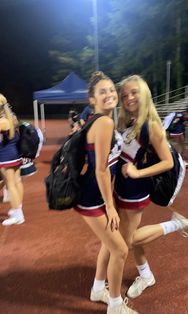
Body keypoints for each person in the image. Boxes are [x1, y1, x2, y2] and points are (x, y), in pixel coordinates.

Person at [114, 75, 188, 299]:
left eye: (134, 92)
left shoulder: (151, 125)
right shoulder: (129, 122)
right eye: (124, 95)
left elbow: (167, 162)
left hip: (135, 190)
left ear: (144, 94)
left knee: (127, 240)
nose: (129, 98)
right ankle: (146, 275)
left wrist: (137, 172)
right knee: (129, 237)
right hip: (122, 187)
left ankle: (174, 225)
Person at [73, 71, 138, 314]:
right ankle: (115, 305)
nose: (110, 94)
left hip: (93, 195)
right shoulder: (104, 122)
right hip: (93, 198)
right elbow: (100, 169)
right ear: (92, 99)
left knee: (108, 245)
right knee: (120, 250)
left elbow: (106, 165)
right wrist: (110, 206)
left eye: (112, 90)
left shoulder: (97, 119)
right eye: (103, 92)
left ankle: (98, 289)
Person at [0, 94, 24, 226]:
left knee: (10, 185)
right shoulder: (11, 118)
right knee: (16, 182)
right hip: (12, 154)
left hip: (5, 156)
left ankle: (18, 215)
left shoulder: (3, 122)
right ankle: (17, 210)